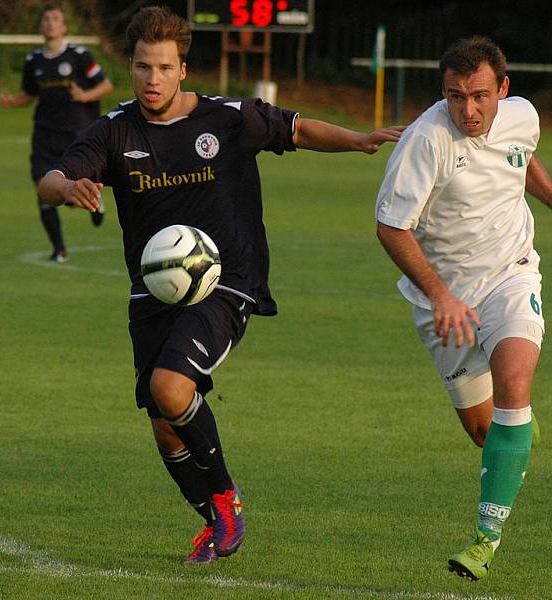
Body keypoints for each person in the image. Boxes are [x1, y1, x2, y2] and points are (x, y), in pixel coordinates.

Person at [37, 6, 402, 565]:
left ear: (182, 69)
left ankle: (227, 498)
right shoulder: (115, 130)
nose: (151, 79)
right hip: (152, 293)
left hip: (225, 282)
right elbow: (50, 179)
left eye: (163, 67)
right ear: (131, 68)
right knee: (165, 428)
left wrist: (358, 140)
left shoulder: (227, 119)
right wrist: (68, 188)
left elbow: (297, 128)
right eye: (141, 68)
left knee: (172, 388)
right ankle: (214, 522)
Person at [374, 36, 552, 580]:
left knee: (514, 388)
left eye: (478, 96)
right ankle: (514, 436)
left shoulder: (522, 116)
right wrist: (441, 295)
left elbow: (523, 159)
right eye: (454, 97)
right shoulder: (425, 141)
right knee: (486, 430)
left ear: (503, 89)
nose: (467, 111)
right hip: (442, 302)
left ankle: (484, 540)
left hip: (510, 273)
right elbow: (390, 227)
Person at [0, 3, 113, 262]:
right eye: (46, 19)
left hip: (76, 132)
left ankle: (95, 202)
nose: (50, 23)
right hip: (44, 133)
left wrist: (85, 95)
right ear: (41, 26)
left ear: (64, 27)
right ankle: (59, 248)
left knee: (71, 191)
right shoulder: (33, 61)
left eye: (55, 19)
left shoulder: (79, 55)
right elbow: (29, 94)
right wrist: (11, 101)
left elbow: (106, 85)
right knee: (42, 187)